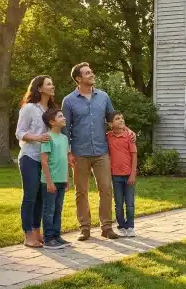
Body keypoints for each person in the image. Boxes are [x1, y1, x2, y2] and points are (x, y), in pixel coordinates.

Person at [62, 62, 130, 240]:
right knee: (81, 191)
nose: (92, 75)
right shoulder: (68, 101)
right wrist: (68, 152)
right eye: (87, 73)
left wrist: (127, 130)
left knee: (106, 189)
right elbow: (65, 129)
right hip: (79, 153)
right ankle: (85, 228)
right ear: (78, 78)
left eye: (91, 72)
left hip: (101, 151)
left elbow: (113, 119)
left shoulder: (103, 97)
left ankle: (106, 227)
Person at [15, 75, 56, 248]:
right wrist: (38, 138)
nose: (53, 86)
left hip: (46, 160)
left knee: (41, 197)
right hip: (29, 157)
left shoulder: (52, 109)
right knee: (30, 196)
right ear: (39, 88)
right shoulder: (29, 108)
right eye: (49, 84)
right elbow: (19, 133)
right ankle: (28, 235)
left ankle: (36, 233)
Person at [40, 107, 71, 249]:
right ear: (52, 122)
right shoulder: (47, 138)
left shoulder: (64, 138)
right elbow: (44, 161)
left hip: (61, 181)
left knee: (58, 209)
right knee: (49, 210)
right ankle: (48, 239)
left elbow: (65, 160)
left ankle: (57, 236)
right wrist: (49, 181)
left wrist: (67, 179)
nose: (64, 118)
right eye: (60, 116)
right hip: (50, 182)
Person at [107, 112, 138, 237]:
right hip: (115, 176)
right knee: (118, 203)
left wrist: (132, 174)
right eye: (117, 119)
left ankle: (130, 226)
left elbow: (134, 156)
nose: (121, 120)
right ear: (110, 124)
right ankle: (121, 226)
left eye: (122, 118)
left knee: (130, 203)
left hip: (128, 175)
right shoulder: (108, 136)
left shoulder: (129, 137)